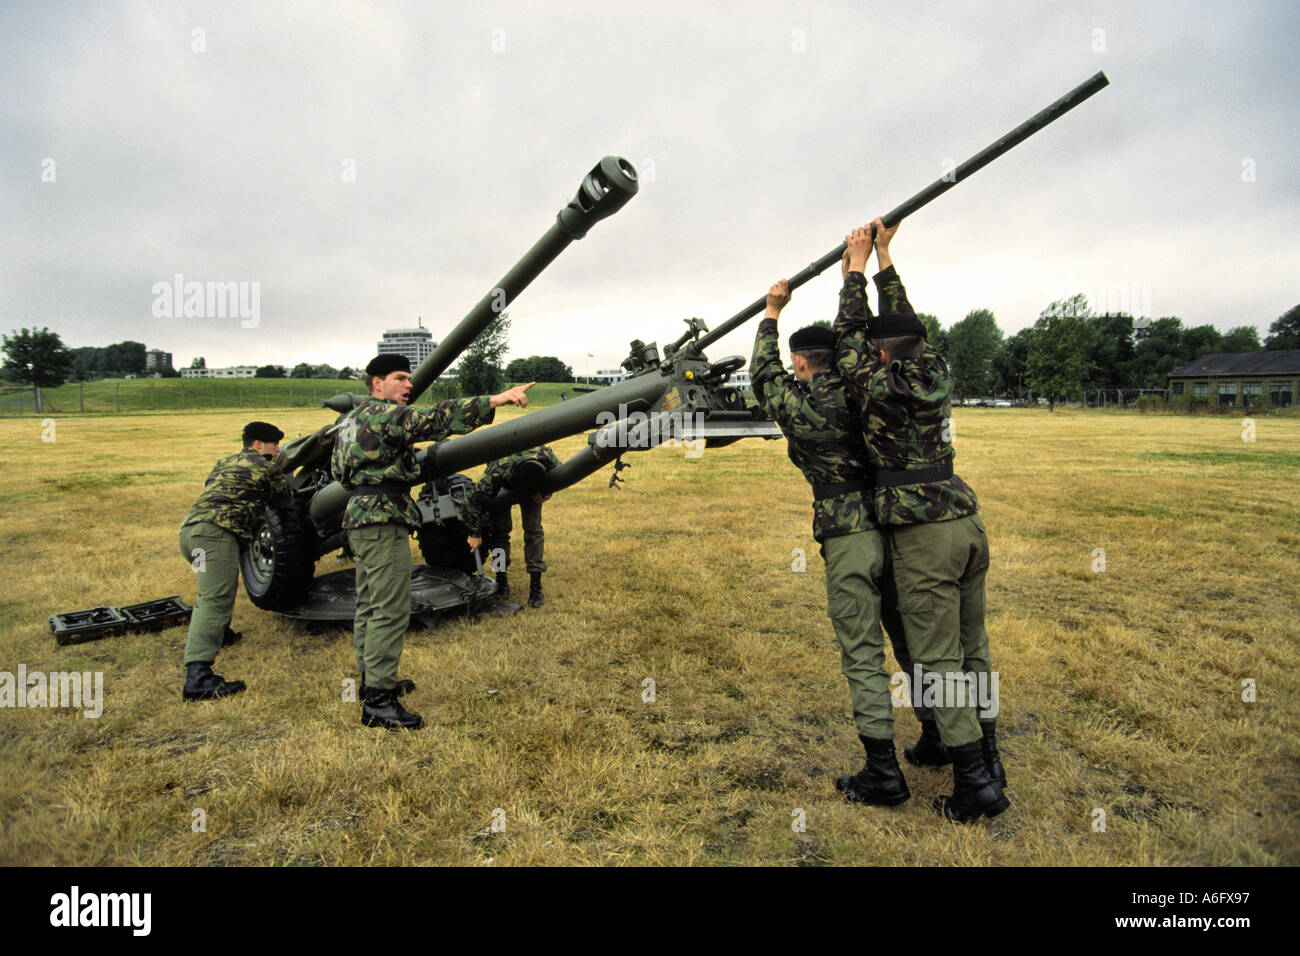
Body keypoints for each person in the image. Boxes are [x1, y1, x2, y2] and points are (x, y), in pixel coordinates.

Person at [835, 219, 1008, 822]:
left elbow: (847, 341)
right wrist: (884, 258)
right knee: (973, 648)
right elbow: (904, 325)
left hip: (925, 536)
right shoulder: (935, 371)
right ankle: (988, 753)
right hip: (967, 521)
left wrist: (853, 272)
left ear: (880, 354)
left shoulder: (876, 383)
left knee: (938, 662)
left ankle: (974, 786)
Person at [751, 279, 909, 807]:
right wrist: (860, 271)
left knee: (862, 650)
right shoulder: (866, 388)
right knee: (911, 637)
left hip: (848, 533)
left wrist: (771, 314)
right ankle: (939, 735)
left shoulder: (801, 407)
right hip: (896, 523)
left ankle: (883, 773)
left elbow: (762, 374)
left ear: (801, 363)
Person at [333, 354, 534, 729]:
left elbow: (339, 475)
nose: (408, 385)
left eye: (409, 379)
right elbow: (437, 417)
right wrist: (495, 400)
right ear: (376, 383)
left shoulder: (348, 422)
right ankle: (379, 702)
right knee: (390, 608)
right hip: (382, 518)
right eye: (400, 378)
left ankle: (371, 680)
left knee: (370, 602)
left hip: (361, 516)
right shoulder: (383, 414)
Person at [178, 421, 291, 700]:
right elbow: (285, 500)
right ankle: (198, 676)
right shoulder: (265, 467)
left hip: (191, 534)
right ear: (257, 444)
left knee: (211, 590)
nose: (277, 449)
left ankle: (220, 633)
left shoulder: (223, 462)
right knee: (215, 598)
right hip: (216, 537)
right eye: (274, 444)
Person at [463, 445, 560, 608]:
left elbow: (559, 475)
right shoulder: (497, 471)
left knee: (533, 530)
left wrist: (546, 491)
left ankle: (536, 586)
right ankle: (501, 580)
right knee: (499, 532)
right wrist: (475, 533)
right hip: (503, 487)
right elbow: (472, 502)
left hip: (534, 487)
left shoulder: (546, 455)